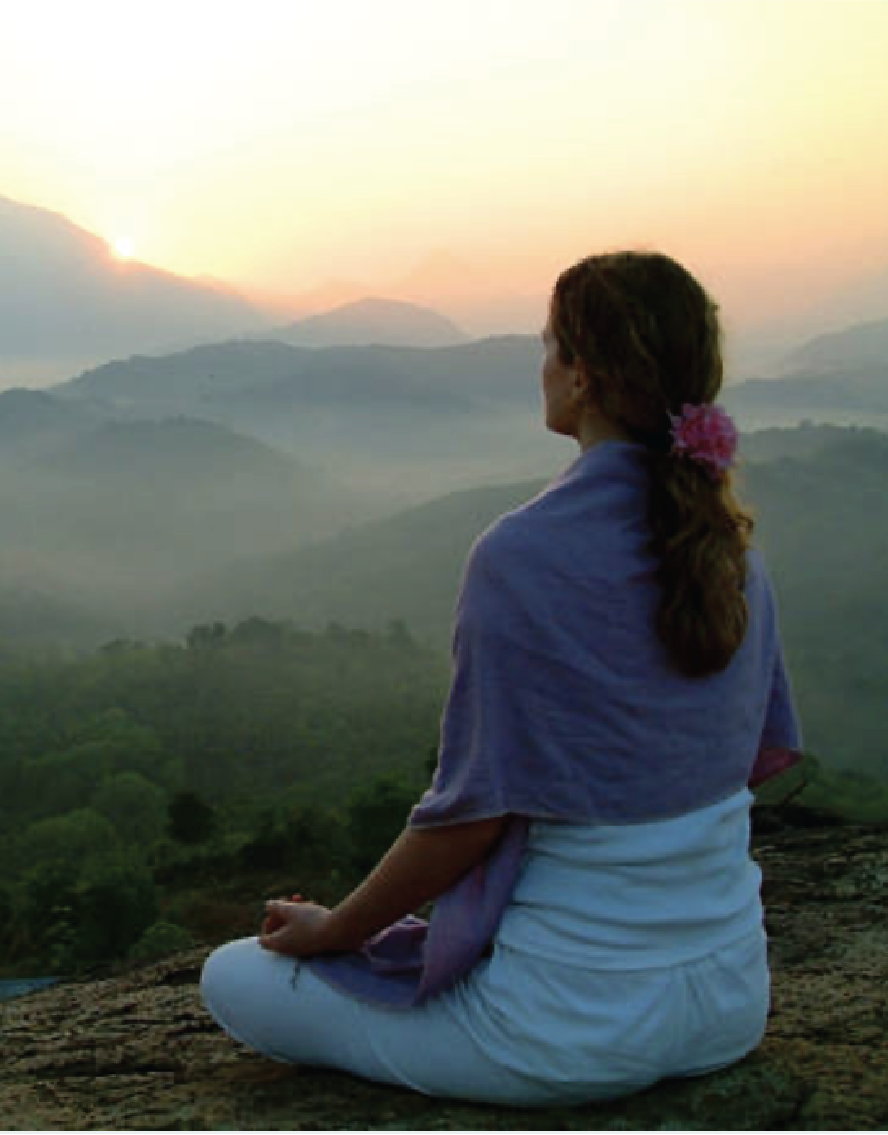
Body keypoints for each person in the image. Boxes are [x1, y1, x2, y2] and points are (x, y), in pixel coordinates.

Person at [199, 251, 802, 1107]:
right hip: (728, 1006)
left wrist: (336, 929)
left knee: (233, 976)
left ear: (584, 376)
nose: (543, 364)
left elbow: (467, 821)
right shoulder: (732, 555)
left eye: (550, 344)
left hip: (563, 1033)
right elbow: (736, 760)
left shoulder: (520, 556)